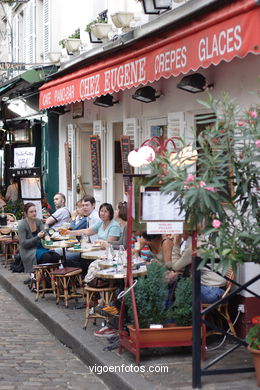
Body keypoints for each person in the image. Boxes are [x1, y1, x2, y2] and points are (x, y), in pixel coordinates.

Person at [166, 232, 226, 304]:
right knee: (177, 284)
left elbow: (176, 267)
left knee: (176, 287)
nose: (179, 234)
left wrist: (176, 244)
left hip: (210, 291)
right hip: (217, 290)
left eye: (181, 231)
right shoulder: (202, 242)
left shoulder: (194, 246)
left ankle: (168, 311)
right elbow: (180, 267)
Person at [18, 202, 60, 286]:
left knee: (56, 256)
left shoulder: (38, 221)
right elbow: (23, 243)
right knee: (47, 257)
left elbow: (45, 233)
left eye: (35, 211)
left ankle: (50, 277)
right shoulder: (22, 224)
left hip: (41, 247)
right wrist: (37, 237)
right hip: (29, 250)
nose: (34, 213)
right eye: (31, 212)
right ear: (26, 213)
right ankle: (43, 279)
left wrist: (49, 242)